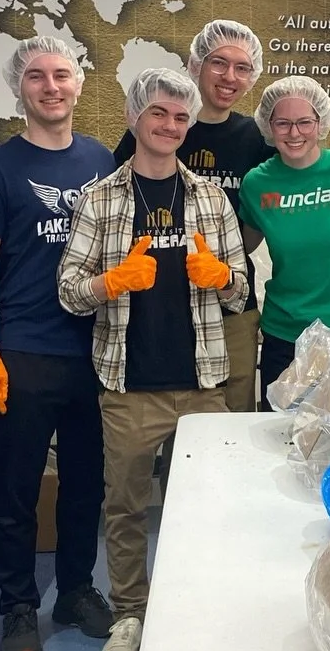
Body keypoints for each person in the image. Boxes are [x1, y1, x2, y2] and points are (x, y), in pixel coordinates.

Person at [58, 67, 246, 651]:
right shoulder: (102, 197)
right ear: (135, 118)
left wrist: (221, 278)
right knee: (126, 508)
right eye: (159, 114)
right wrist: (109, 283)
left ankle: (199, 609)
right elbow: (67, 289)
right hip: (129, 386)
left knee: (207, 508)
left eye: (180, 117)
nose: (170, 126)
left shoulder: (211, 198)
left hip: (202, 384)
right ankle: (130, 615)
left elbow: (240, 289)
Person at [0, 38, 115, 651]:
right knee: (17, 487)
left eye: (61, 75)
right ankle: (18, 605)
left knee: (87, 483)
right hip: (25, 347)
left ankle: (76, 590)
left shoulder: (102, 161)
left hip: (97, 350)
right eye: (36, 77)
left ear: (79, 84)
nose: (50, 86)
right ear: (19, 89)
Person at [116, 20, 272, 411]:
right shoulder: (154, 129)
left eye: (242, 67)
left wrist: (227, 261)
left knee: (230, 417)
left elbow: (263, 212)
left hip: (230, 303)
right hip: (156, 301)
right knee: (157, 416)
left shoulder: (256, 140)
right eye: (219, 62)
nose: (229, 77)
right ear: (196, 63)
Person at [237, 75, 330, 401]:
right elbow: (240, 248)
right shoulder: (258, 183)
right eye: (283, 123)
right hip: (286, 334)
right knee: (282, 438)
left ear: (321, 122)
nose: (294, 133)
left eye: (304, 122)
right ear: (268, 126)